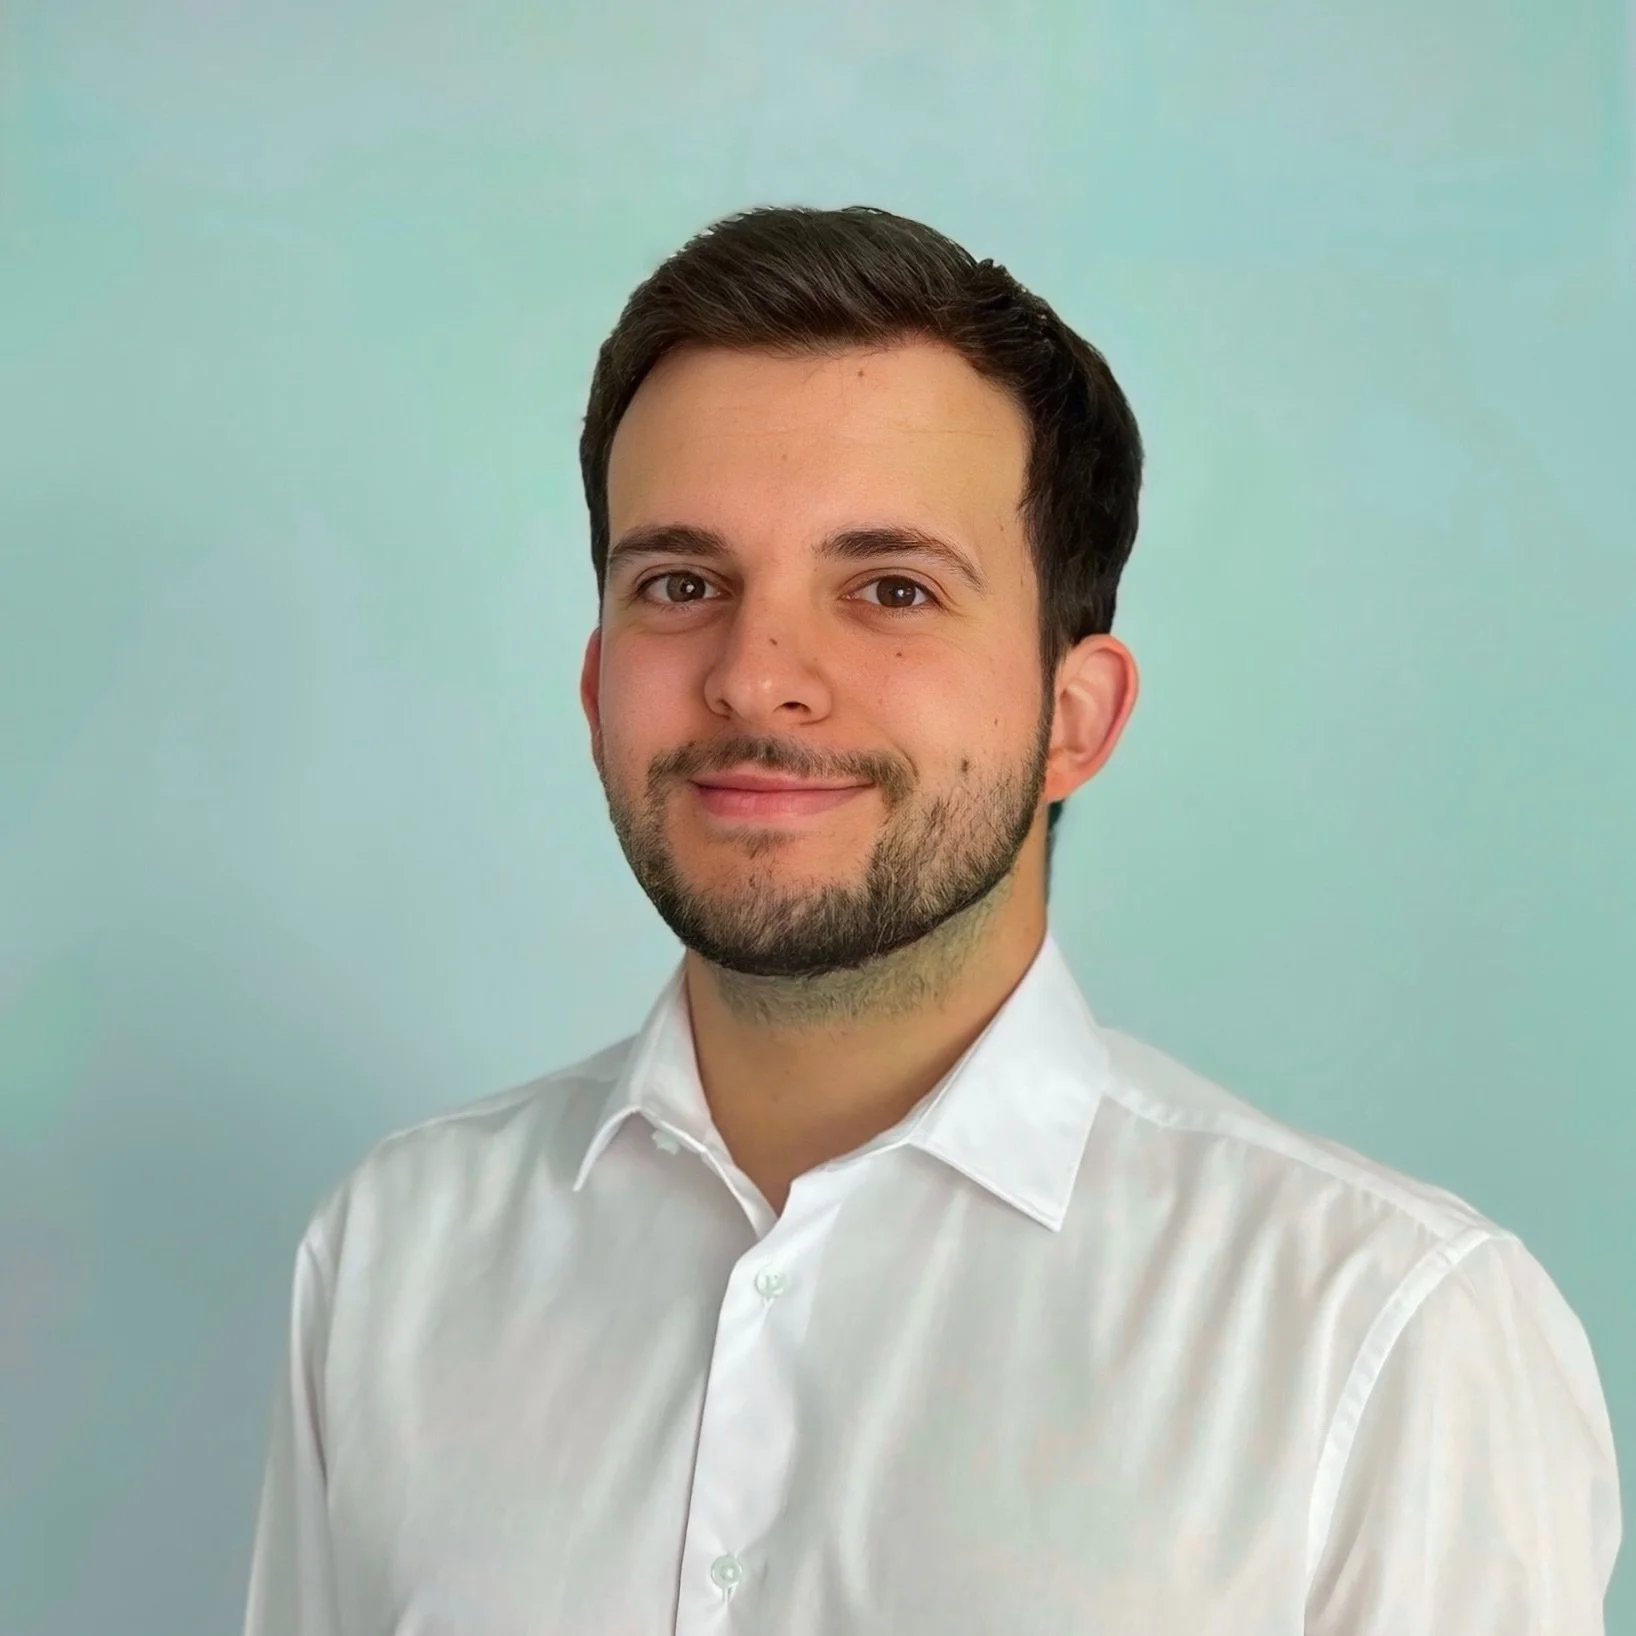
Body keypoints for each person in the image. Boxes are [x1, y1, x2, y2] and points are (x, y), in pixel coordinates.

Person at [243, 205, 1621, 1634]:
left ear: (1074, 719)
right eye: (681, 584)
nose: (755, 677)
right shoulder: (395, 1259)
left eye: (890, 589)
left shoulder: (1381, 1335)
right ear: (597, 686)